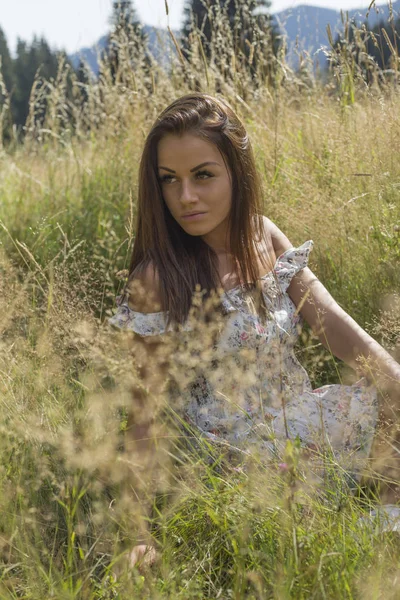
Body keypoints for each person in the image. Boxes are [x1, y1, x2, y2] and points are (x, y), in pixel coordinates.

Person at [109, 93, 400, 568]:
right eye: (170, 180)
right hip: (233, 461)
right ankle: (337, 530)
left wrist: (394, 380)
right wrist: (136, 535)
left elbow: (336, 327)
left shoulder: (264, 237)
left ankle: (384, 523)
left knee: (391, 386)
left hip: (301, 425)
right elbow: (144, 418)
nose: (185, 197)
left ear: (236, 172)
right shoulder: (157, 279)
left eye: (203, 175)